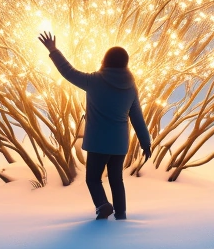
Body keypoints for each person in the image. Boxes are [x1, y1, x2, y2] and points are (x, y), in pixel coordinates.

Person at [38, 31, 152, 220]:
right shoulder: (131, 88)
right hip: (119, 144)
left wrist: (53, 50)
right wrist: (145, 142)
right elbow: (137, 118)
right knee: (116, 180)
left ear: (105, 60)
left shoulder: (94, 81)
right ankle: (121, 214)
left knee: (93, 178)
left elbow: (68, 72)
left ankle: (102, 205)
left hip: (98, 143)